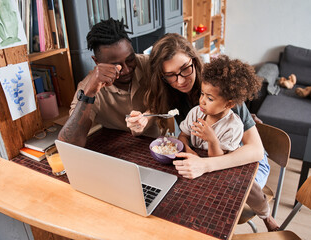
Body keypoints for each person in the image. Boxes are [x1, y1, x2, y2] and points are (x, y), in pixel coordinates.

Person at [132, 33, 279, 231]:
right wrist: (140, 122)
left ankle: (266, 217)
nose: (181, 80)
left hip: (245, 161)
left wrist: (206, 165)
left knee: (224, 195)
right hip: (205, 156)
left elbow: (255, 151)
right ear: (163, 76)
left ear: (194, 59)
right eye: (171, 75)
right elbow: (168, 122)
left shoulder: (223, 89)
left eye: (185, 69)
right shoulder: (174, 93)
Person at [58, 18, 159, 146]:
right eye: (116, 65)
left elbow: (169, 97)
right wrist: (89, 93)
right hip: (116, 146)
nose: (127, 70)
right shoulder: (89, 86)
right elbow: (69, 144)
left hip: (155, 143)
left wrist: (148, 116)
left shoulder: (149, 65)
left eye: (130, 59)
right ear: (97, 62)